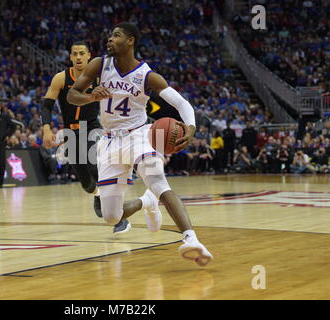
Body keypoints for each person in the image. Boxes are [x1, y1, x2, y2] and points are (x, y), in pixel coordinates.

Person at [67, 22, 213, 266]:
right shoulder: (99, 65)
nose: (109, 40)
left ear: (131, 40)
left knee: (158, 183)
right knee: (111, 217)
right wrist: (92, 96)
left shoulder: (147, 76)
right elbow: (73, 95)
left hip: (139, 135)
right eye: (110, 35)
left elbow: (182, 104)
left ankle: (191, 239)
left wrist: (190, 128)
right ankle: (146, 202)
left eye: (116, 35)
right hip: (109, 141)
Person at [41, 41, 130, 233]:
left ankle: (118, 218)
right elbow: (46, 105)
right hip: (70, 133)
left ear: (89, 55)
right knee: (87, 184)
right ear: (70, 57)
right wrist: (46, 129)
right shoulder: (61, 78)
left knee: (95, 167)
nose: (79, 57)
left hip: (92, 128)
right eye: (75, 54)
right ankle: (98, 195)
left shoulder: (99, 78)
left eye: (82, 53)